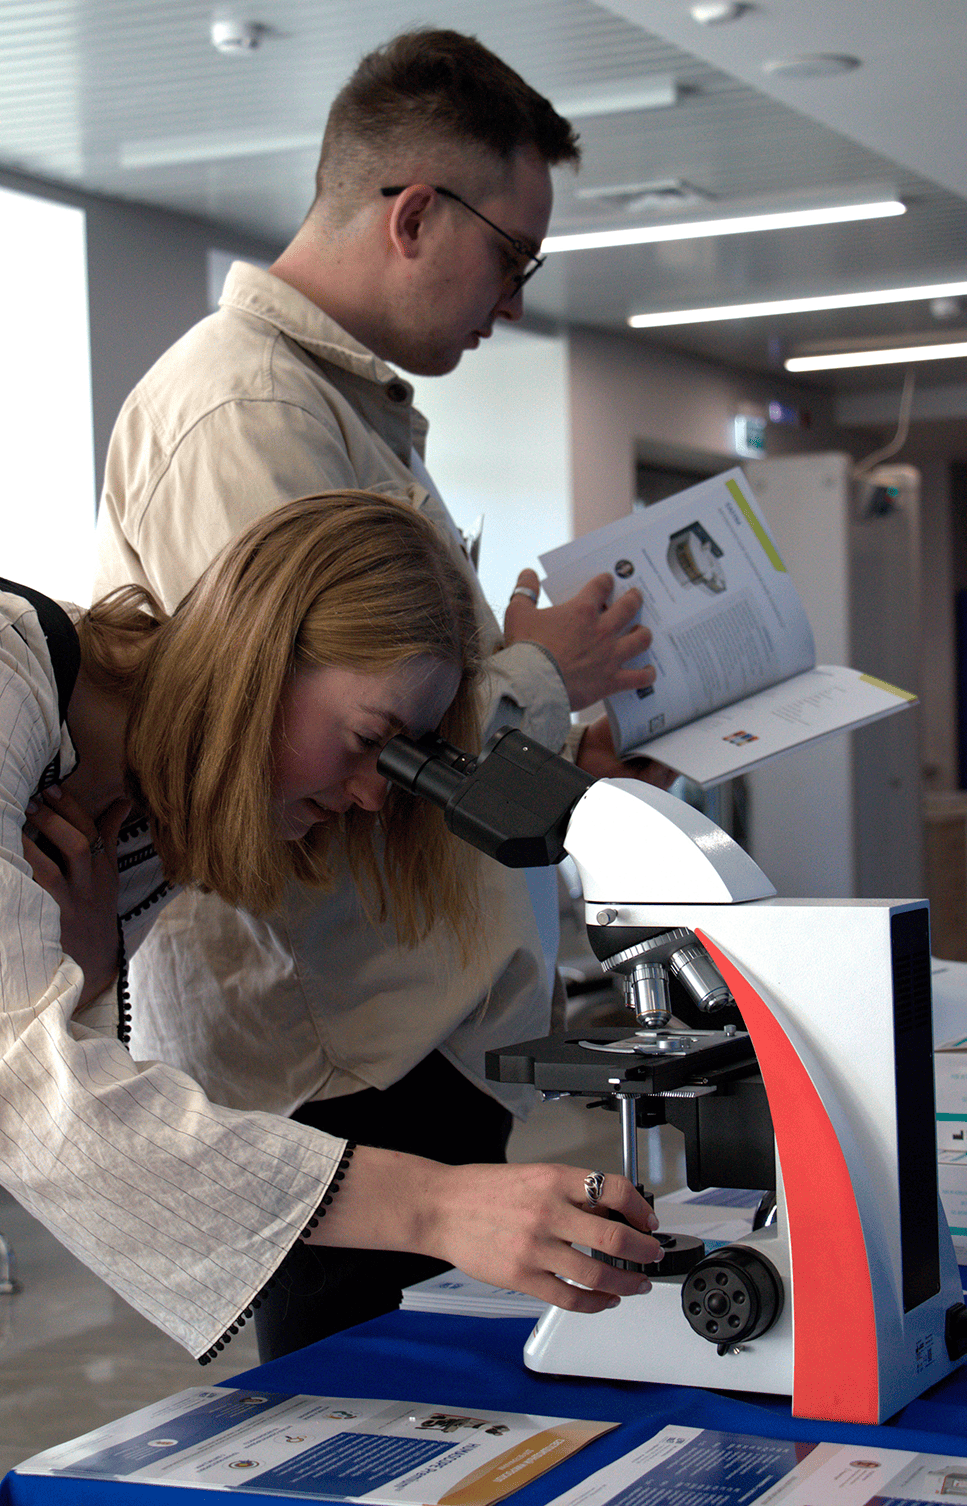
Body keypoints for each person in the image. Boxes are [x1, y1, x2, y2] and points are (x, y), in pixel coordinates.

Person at [93, 28, 668, 1358]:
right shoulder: (242, 413)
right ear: (413, 215)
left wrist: (562, 775)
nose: (512, 299)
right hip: (336, 1054)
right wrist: (538, 674)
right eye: (513, 258)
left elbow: (379, 735)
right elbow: (311, 751)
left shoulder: (331, 408)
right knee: (369, 1421)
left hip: (402, 1041)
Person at [1, 490, 661, 1365]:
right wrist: (436, 1207)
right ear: (255, 656)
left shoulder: (151, 809)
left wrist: (85, 970)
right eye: (365, 738)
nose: (372, 796)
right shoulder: (11, 685)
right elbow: (24, 1096)